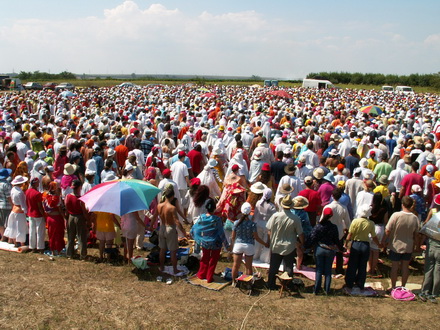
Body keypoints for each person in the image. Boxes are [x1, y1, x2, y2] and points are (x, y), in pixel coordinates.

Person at [266, 195, 304, 290]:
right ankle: (287, 284)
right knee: (288, 268)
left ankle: (271, 284)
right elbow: (300, 233)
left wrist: (269, 241)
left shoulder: (275, 216)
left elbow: (269, 230)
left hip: (276, 244)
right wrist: (302, 243)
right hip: (289, 246)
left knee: (273, 267)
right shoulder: (295, 218)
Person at [382, 196, 420, 290]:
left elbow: (388, 230)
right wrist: (417, 246)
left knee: (394, 267)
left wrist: (383, 241)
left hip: (396, 245)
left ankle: (393, 286)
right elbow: (416, 235)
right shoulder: (414, 218)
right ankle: (403, 286)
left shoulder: (396, 215)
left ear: (402, 204)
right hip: (408, 245)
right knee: (405, 267)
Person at [190, 199, 230, 283]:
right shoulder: (217, 219)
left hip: (205, 242)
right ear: (214, 208)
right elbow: (221, 233)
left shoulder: (202, 217)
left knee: (205, 258)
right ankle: (209, 277)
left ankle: (201, 274)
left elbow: (196, 228)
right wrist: (227, 245)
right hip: (216, 242)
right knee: (213, 260)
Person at [344, 205, 381, 292]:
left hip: (356, 244)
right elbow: (374, 236)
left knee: (352, 265)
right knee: (362, 265)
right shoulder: (371, 223)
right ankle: (360, 283)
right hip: (365, 245)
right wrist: (379, 244)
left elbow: (350, 234)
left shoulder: (355, 221)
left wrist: (346, 244)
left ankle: (349, 283)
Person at [231, 202, 268, 286]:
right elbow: (257, 238)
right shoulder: (252, 224)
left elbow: (233, 236)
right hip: (249, 245)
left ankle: (233, 282)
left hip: (238, 244)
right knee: (248, 267)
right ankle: (248, 283)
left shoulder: (236, 222)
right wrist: (265, 243)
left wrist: (231, 245)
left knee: (235, 265)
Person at [306, 208, 342, 294]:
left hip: (320, 249)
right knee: (328, 271)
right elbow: (336, 240)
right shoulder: (333, 227)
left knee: (319, 270)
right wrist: (341, 248)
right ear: (331, 216)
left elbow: (312, 237)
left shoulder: (318, 226)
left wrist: (306, 246)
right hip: (330, 250)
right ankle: (327, 289)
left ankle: (317, 289)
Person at [154, 188, 187, 275]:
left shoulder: (159, 205)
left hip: (162, 227)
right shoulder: (172, 208)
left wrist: (150, 227)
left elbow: (154, 217)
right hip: (170, 228)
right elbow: (177, 221)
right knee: (173, 251)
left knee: (162, 249)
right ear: (172, 196)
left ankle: (161, 266)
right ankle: (175, 269)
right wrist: (183, 232)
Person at [419, 195, 440, 303]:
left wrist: (421, 241)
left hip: (431, 243)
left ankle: (425, 290)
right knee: (438, 270)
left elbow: (426, 226)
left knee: (429, 268)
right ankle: (434, 292)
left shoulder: (433, 212)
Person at [65, 180, 90, 260]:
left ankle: (69, 254)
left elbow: (66, 208)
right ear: (80, 187)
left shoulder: (68, 196)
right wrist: (88, 220)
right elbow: (84, 211)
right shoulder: (80, 199)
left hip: (71, 217)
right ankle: (83, 255)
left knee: (70, 237)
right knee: (82, 237)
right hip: (79, 217)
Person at [368, 192, 389, 277]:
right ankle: (373, 269)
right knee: (376, 250)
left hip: (371, 228)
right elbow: (386, 221)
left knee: (370, 250)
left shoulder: (370, 208)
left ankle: (368, 268)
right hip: (380, 229)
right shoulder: (384, 209)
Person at [3, 175, 28, 247]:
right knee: (21, 227)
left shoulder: (13, 189)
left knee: (13, 226)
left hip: (14, 209)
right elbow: (22, 203)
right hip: (19, 210)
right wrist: (26, 211)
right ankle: (21, 242)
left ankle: (14, 241)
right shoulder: (20, 192)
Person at [42, 181, 65, 256]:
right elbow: (60, 210)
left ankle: (53, 250)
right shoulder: (56, 198)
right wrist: (64, 217)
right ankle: (58, 250)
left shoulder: (45, 196)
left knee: (51, 234)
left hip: (49, 218)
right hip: (56, 218)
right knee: (58, 234)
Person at [253, 188, 276, 263]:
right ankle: (265, 258)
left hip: (258, 223)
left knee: (258, 240)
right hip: (267, 224)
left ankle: (255, 255)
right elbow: (274, 217)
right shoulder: (271, 206)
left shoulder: (258, 203)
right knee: (266, 241)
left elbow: (255, 213)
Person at [25, 178, 45, 253]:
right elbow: (39, 206)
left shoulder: (27, 191)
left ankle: (32, 246)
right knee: (40, 231)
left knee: (32, 231)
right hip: (38, 214)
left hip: (30, 213)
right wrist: (43, 215)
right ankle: (40, 247)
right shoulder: (37, 194)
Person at [0, 168, 12, 240]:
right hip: (6, 206)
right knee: (7, 223)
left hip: (0, 205)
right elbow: (9, 197)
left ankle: (2, 237)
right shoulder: (6, 184)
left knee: (1, 223)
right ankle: (6, 238)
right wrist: (13, 205)